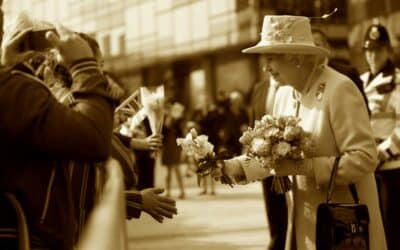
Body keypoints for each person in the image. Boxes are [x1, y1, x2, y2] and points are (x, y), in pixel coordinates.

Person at [214, 15, 387, 250]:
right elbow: (276, 157)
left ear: (295, 57)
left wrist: (307, 168)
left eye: (271, 58)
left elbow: (365, 158)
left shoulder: (340, 89)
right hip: (303, 230)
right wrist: (234, 167)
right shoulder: (285, 94)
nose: (265, 66)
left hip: (345, 230)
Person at [0, 15, 114, 250]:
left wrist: (8, 68)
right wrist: (85, 66)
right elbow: (92, 138)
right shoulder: (14, 88)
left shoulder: (12, 84)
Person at [360, 23, 400, 250]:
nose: (373, 55)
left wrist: (383, 152)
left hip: (391, 168)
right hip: (366, 166)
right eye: (369, 50)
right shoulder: (361, 80)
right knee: (371, 230)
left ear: (389, 51)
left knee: (392, 230)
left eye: (378, 50)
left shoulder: (398, 81)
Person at [249, 70, 287, 250]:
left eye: (272, 59)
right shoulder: (259, 88)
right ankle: (276, 240)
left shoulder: (291, 86)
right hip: (264, 163)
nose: (267, 66)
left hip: (290, 162)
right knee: (274, 212)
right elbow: (253, 126)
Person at [312, 28, 370, 115]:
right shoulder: (303, 76)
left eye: (317, 45)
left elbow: (364, 110)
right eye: (310, 47)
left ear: (327, 47)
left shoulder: (347, 73)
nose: (313, 50)